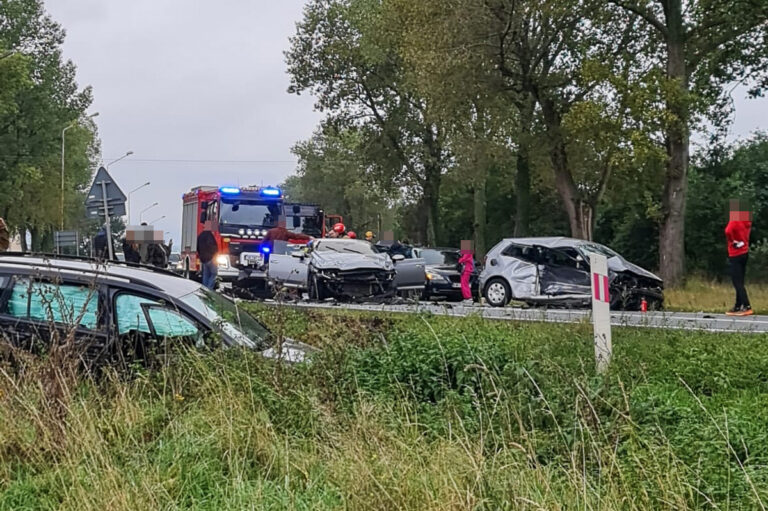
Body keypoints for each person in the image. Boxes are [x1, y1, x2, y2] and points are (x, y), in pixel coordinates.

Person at [725, 202, 753, 316]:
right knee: (740, 280)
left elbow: (727, 231)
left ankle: (747, 306)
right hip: (744, 251)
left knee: (737, 282)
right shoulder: (747, 222)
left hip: (735, 253)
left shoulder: (735, 220)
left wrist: (732, 241)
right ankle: (738, 306)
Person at [197, 222, 219, 290]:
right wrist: (215, 253)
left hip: (203, 259)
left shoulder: (200, 235)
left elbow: (198, 247)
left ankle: (204, 289)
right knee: (214, 274)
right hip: (210, 258)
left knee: (206, 275)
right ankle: (209, 289)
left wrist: (201, 255)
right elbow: (211, 245)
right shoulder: (209, 235)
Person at [458, 241, 475, 305]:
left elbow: (464, 259)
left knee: (464, 284)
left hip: (466, 269)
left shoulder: (467, 253)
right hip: (466, 269)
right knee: (464, 284)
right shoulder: (469, 253)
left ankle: (468, 297)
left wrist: (459, 260)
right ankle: (466, 297)